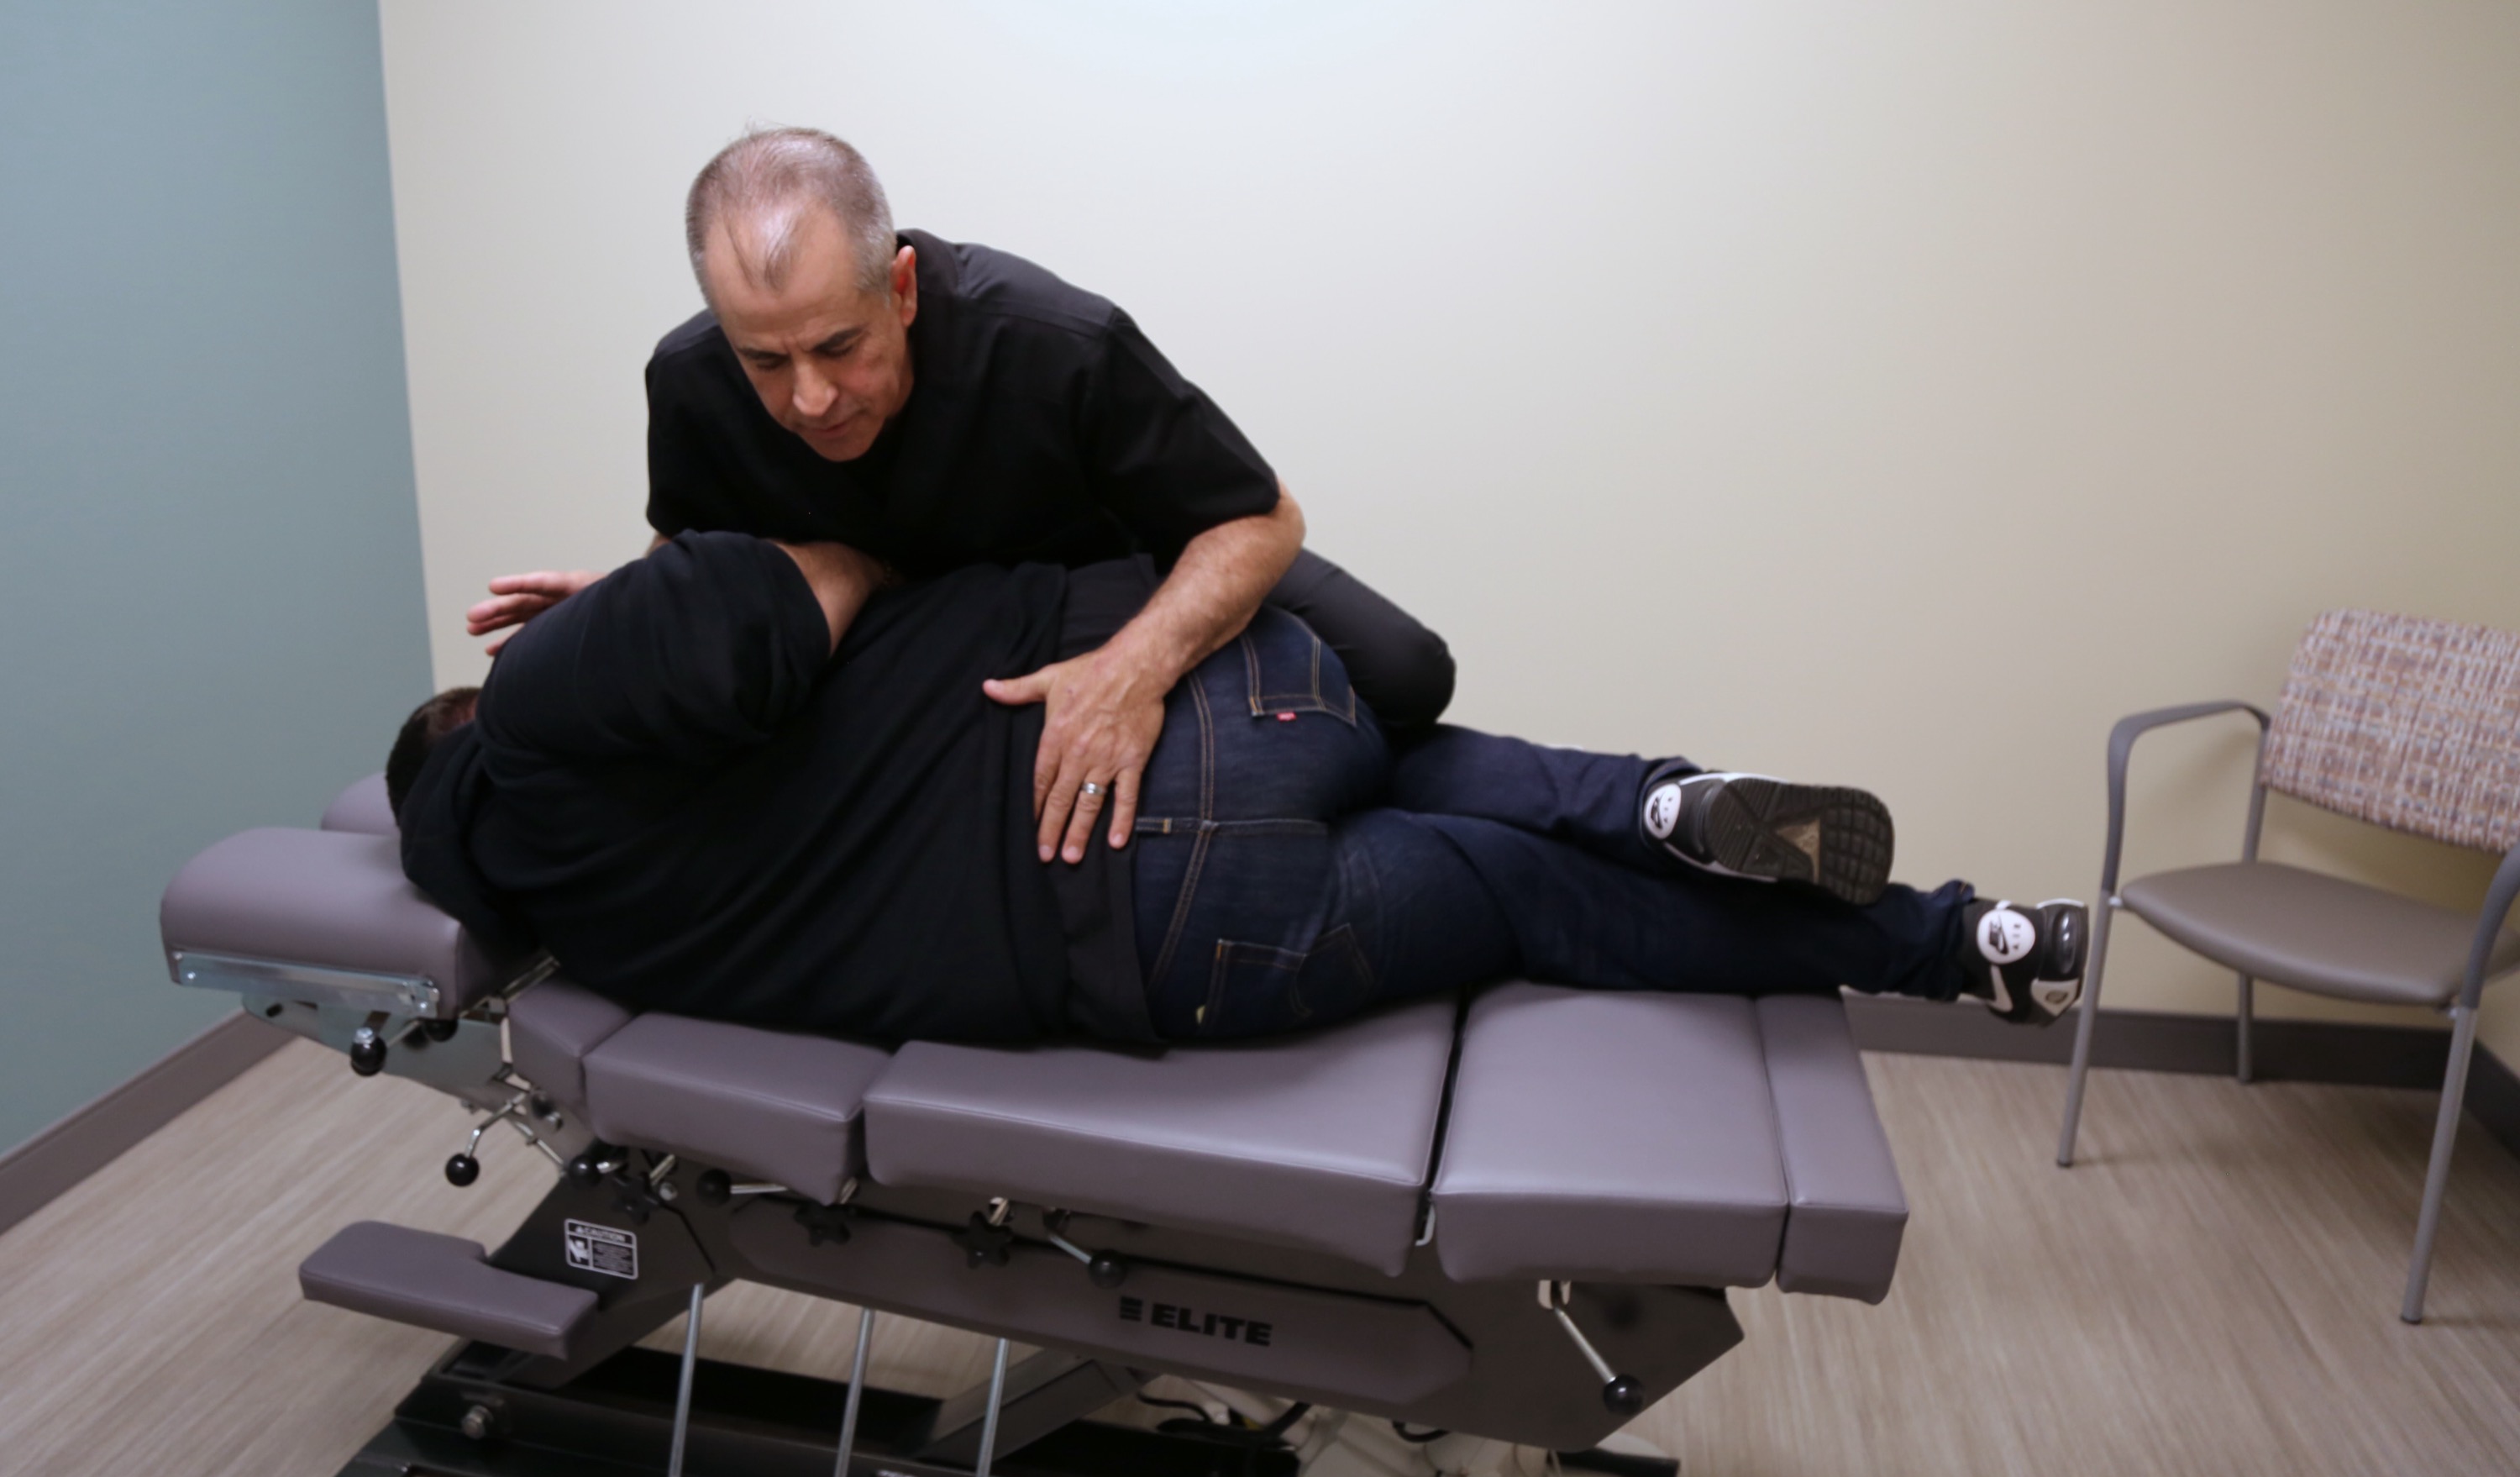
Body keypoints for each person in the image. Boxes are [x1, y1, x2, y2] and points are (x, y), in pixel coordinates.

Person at [395, 533, 2088, 1048]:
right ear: (479, 704)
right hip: (1222, 709)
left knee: (1529, 897)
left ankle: (1968, 949)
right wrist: (624, 606)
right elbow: (812, 571)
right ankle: (1665, 797)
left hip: (1181, 942)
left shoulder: (581, 925)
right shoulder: (545, 710)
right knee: (1470, 765)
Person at [460, 126, 1454, 884]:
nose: (811, 398)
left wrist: (1131, 672)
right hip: (927, 644)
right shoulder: (689, 379)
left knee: (1409, 670)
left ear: (900, 288)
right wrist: (627, 614)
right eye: (766, 360)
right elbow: (695, 546)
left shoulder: (1052, 341)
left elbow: (1262, 516)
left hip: (1125, 577)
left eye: (839, 347)